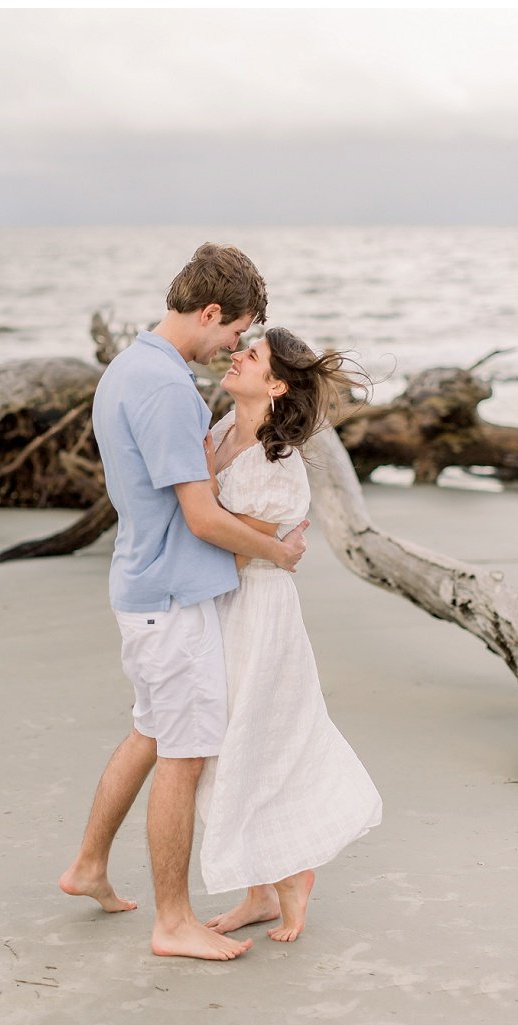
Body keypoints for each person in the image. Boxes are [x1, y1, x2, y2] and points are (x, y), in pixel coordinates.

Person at [59, 243, 308, 961]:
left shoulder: (131, 367)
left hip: (143, 582)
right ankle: (173, 920)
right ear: (209, 312)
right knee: (183, 755)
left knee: (150, 733)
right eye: (236, 332)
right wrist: (279, 550)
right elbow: (200, 517)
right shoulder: (166, 388)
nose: (235, 346)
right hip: (170, 597)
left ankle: (89, 866)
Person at [193, 326, 383, 942]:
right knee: (229, 746)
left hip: (258, 613)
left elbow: (235, 549)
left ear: (275, 384)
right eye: (239, 348)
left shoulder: (276, 463)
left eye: (251, 355)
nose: (235, 356)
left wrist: (258, 539)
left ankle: (294, 877)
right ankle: (259, 890)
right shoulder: (224, 430)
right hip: (223, 606)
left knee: (264, 739)